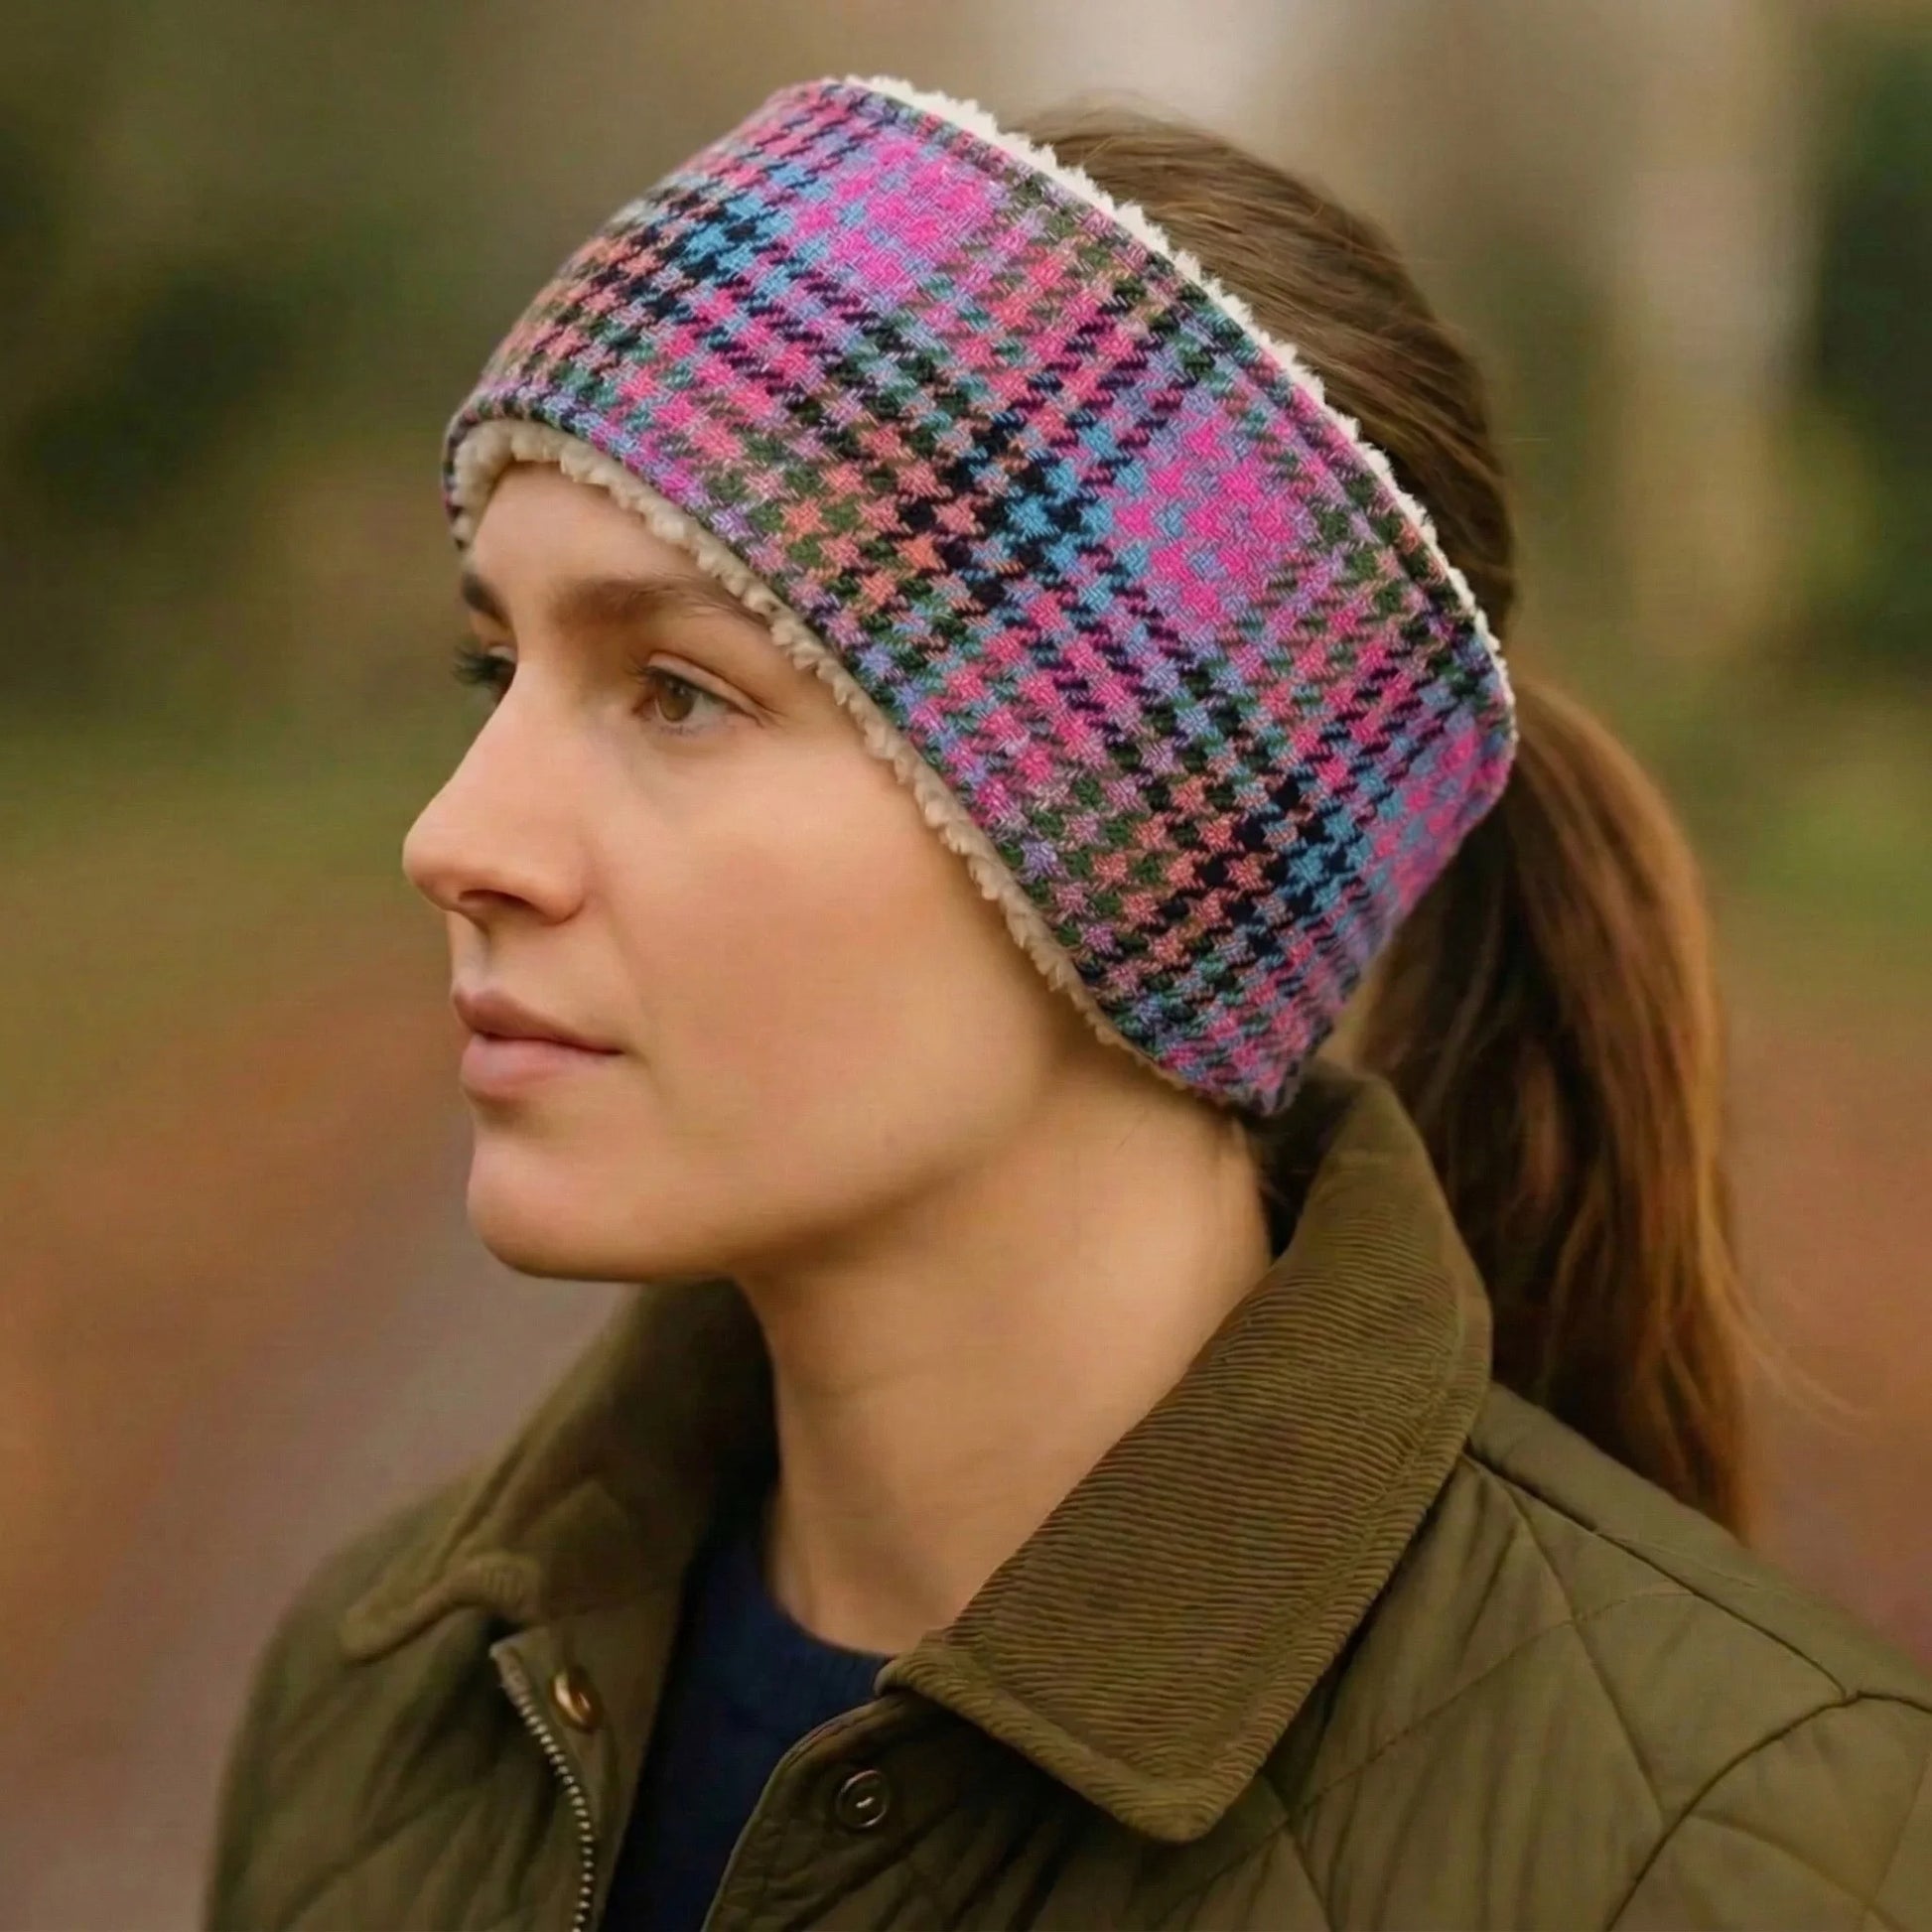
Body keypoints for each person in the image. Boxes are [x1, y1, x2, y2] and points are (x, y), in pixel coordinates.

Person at [204, 74, 1932, 1931]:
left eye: (678, 691)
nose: (458, 836)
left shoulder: (1727, 1852)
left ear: (1153, 853)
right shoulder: (388, 1695)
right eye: (496, 665)